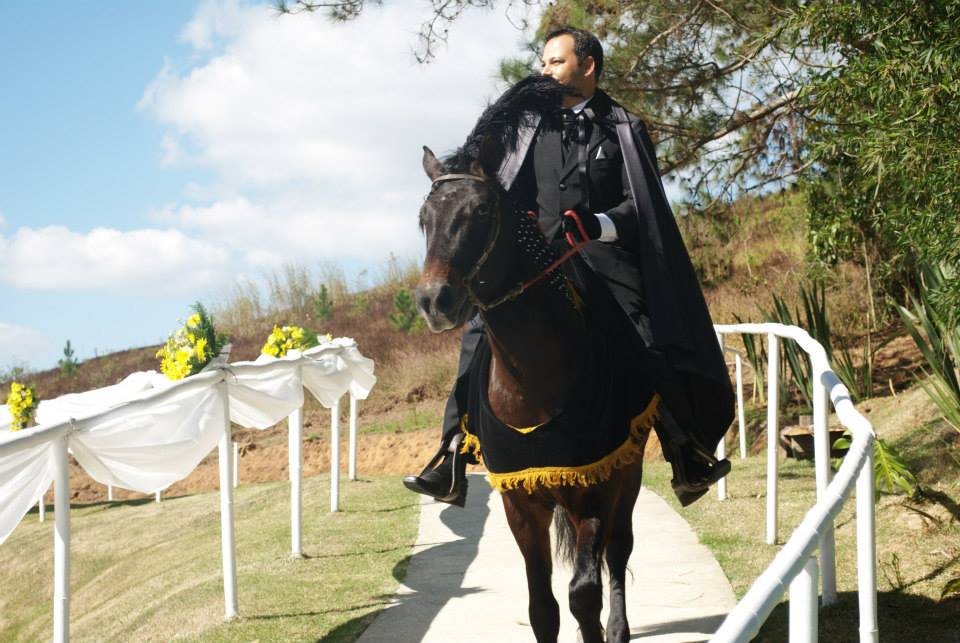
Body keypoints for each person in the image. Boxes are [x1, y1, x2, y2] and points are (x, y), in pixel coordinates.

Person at [404, 26, 734, 507]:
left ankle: (683, 447)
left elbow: (639, 206)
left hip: (603, 258)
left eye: (555, 62)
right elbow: (496, 196)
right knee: (479, 330)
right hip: (537, 260)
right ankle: (452, 452)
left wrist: (598, 225)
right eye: (543, 63)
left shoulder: (624, 127)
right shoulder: (525, 129)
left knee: (644, 334)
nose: (545, 71)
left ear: (588, 65)